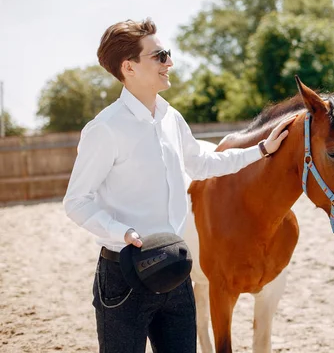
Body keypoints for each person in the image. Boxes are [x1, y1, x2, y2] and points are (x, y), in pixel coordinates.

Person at [63, 18, 295, 353]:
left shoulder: (171, 117)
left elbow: (203, 164)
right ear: (129, 67)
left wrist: (260, 151)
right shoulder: (105, 129)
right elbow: (77, 201)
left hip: (175, 271)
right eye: (159, 56)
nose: (169, 62)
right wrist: (122, 232)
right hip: (124, 276)